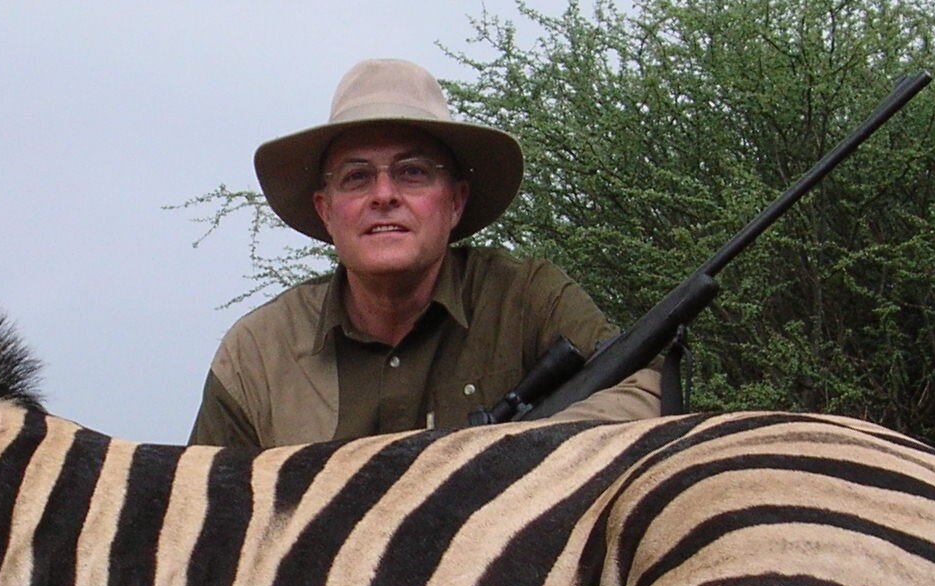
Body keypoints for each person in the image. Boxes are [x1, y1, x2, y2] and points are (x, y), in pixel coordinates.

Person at [190, 58, 661, 450]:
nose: (384, 195)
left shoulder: (529, 297)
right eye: (357, 177)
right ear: (326, 211)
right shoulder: (257, 352)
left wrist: (509, 454)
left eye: (412, 173)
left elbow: (646, 392)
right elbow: (205, 506)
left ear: (455, 202)